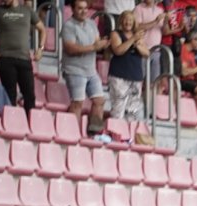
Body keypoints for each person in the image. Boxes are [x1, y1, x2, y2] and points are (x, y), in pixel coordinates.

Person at [0, 0, 43, 112]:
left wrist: (40, 49)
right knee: (10, 94)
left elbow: (42, 29)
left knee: (29, 95)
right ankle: (10, 123)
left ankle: (29, 124)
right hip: (5, 58)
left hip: (24, 58)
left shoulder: (27, 10)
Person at [62, 0, 109, 135]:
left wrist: (103, 44)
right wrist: (93, 47)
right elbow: (70, 48)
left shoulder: (91, 24)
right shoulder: (68, 26)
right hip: (74, 70)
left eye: (85, 8)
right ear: (72, 9)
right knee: (78, 103)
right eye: (80, 8)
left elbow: (96, 42)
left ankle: (93, 132)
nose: (83, 11)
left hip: (91, 70)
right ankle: (71, 133)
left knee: (99, 100)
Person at [108, 10, 150, 121]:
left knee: (132, 111)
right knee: (118, 108)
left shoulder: (137, 36)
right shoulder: (115, 33)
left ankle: (128, 136)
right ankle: (116, 134)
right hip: (119, 75)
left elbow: (146, 53)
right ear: (121, 21)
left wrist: (137, 45)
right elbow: (118, 50)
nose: (128, 22)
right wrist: (132, 40)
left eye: (130, 20)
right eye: (126, 19)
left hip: (135, 76)